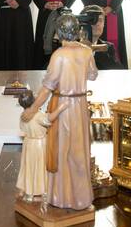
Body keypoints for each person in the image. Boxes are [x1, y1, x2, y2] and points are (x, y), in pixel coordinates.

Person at [21, 15, 98, 210]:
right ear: (77, 31)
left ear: (59, 32)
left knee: (62, 152)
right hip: (80, 105)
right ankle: (82, 198)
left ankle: (62, 197)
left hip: (63, 105)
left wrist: (32, 109)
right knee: (80, 151)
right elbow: (93, 75)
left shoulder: (59, 55)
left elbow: (47, 88)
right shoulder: (87, 51)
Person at [16, 91, 67, 202]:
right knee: (40, 167)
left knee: (28, 167)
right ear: (34, 102)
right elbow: (49, 119)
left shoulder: (23, 115)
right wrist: (61, 108)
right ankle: (42, 190)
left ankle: (28, 191)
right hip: (39, 144)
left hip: (28, 143)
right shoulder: (37, 115)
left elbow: (22, 128)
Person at [80, 5, 122, 70]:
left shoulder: (108, 47)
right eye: (93, 20)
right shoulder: (71, 46)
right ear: (82, 22)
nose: (97, 24)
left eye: (100, 20)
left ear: (103, 25)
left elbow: (118, 71)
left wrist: (96, 50)